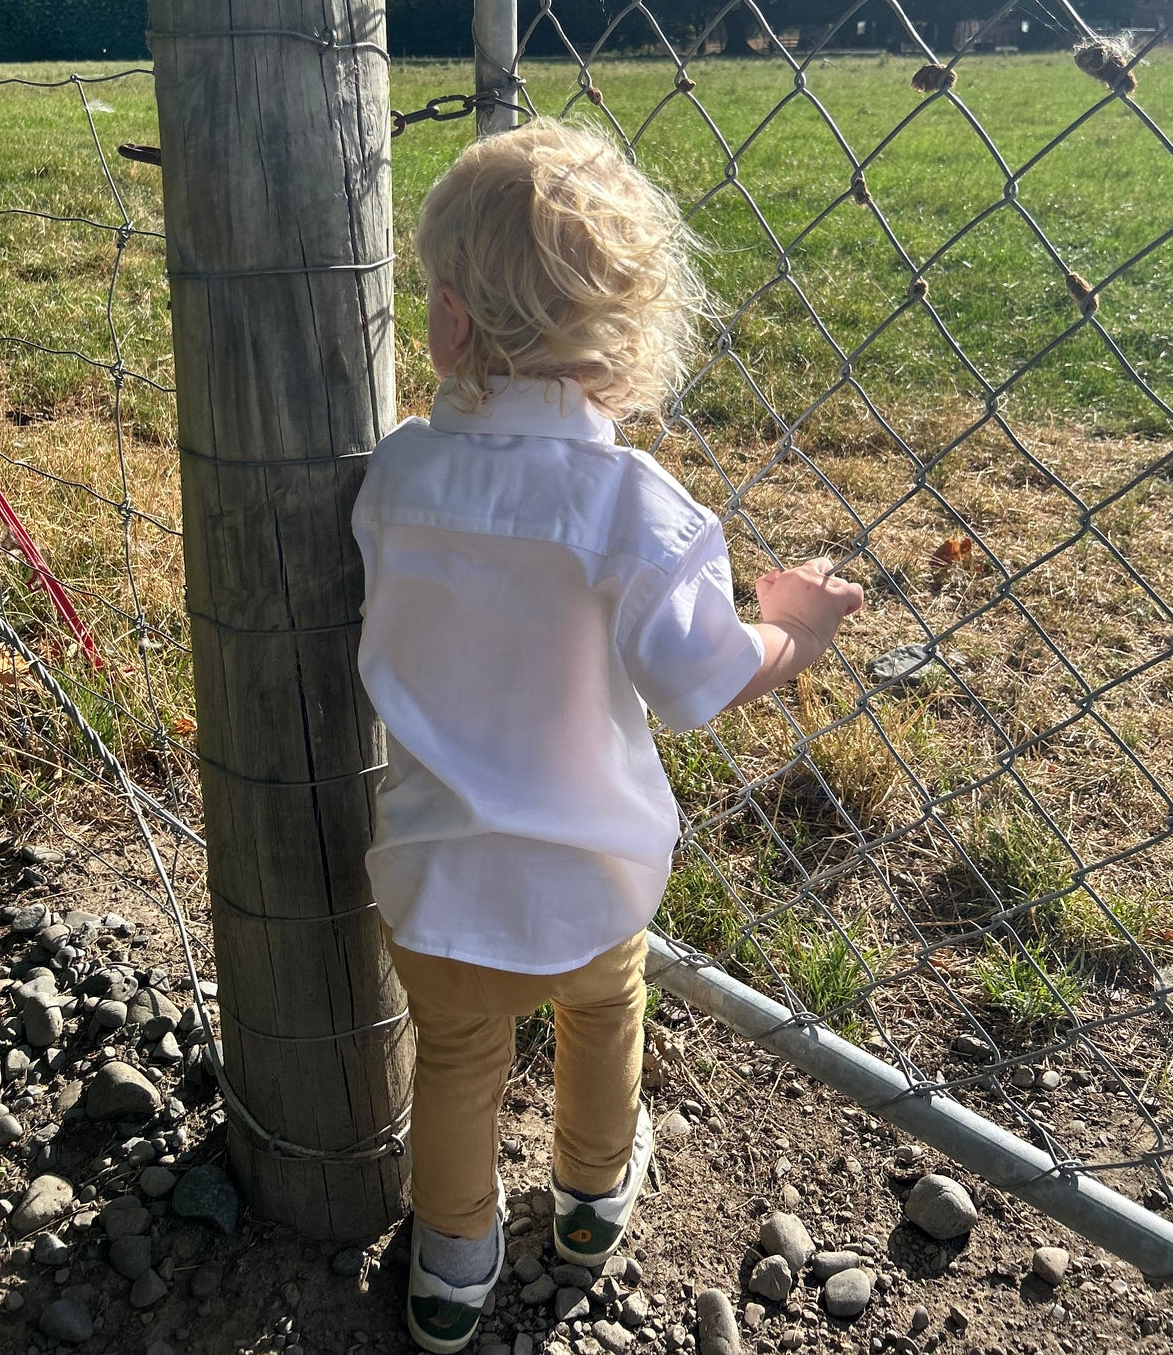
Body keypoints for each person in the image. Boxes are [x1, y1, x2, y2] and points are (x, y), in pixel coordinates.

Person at [352, 120, 864, 1353]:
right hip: (590, 880)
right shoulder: (632, 507)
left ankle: (450, 1266)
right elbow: (696, 678)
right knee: (601, 1023)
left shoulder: (397, 475)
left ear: (448, 323)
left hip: (435, 875)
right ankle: (587, 1203)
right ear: (628, 347)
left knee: (458, 1068)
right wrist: (787, 632)